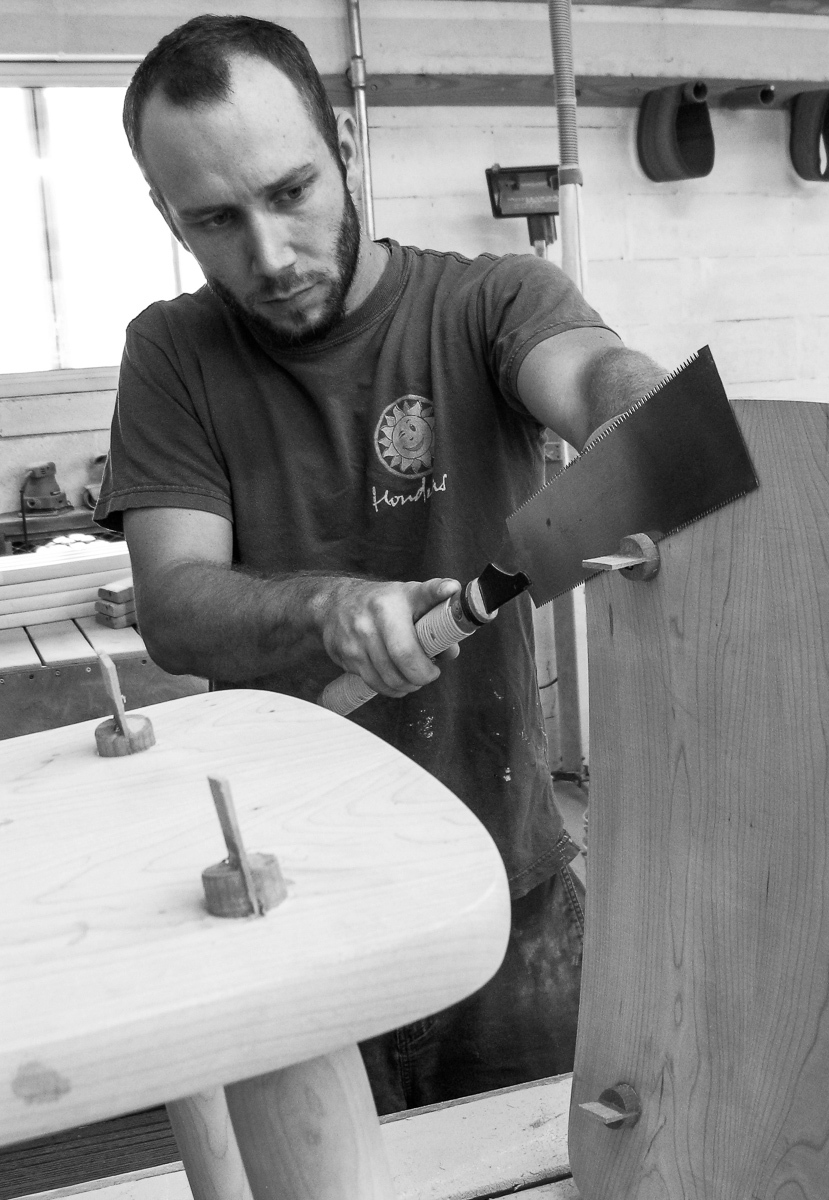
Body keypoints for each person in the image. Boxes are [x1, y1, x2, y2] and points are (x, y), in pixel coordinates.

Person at [94, 14, 664, 1113]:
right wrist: (328, 609)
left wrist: (640, 422)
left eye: (291, 192)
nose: (268, 255)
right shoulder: (170, 355)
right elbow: (171, 606)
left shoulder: (488, 302)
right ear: (165, 214)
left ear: (345, 150)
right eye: (213, 220)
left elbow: (591, 376)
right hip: (296, 911)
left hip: (512, 896)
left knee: (567, 1159)